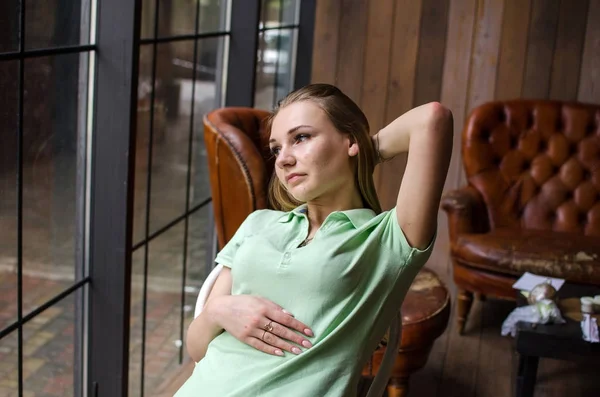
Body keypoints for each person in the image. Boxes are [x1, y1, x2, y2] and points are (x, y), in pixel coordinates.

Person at [175, 84, 453, 396]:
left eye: (301, 138)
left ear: (349, 140)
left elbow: (432, 119)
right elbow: (197, 349)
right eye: (276, 148)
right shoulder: (259, 223)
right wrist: (219, 311)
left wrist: (363, 152)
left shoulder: (386, 239)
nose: (283, 160)